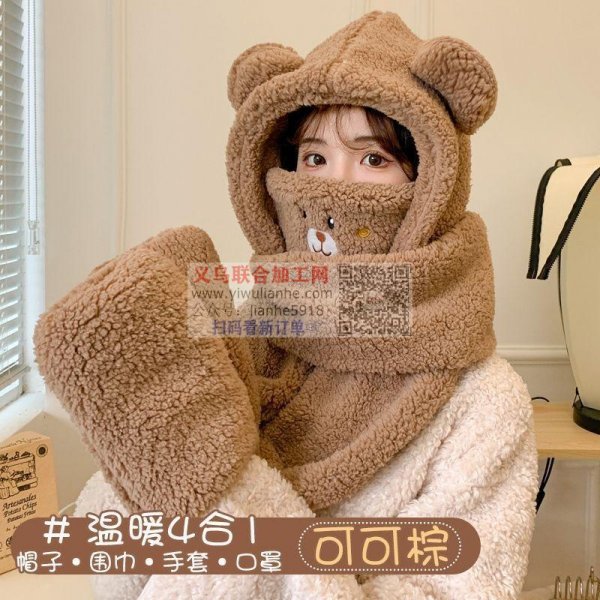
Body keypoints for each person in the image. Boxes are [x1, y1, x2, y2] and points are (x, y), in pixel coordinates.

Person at [34, 10, 539, 599]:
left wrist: (228, 489)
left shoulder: (484, 404)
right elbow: (118, 557)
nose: (332, 186)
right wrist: (145, 420)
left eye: (374, 158)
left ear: (431, 183)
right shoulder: (232, 339)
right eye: (314, 158)